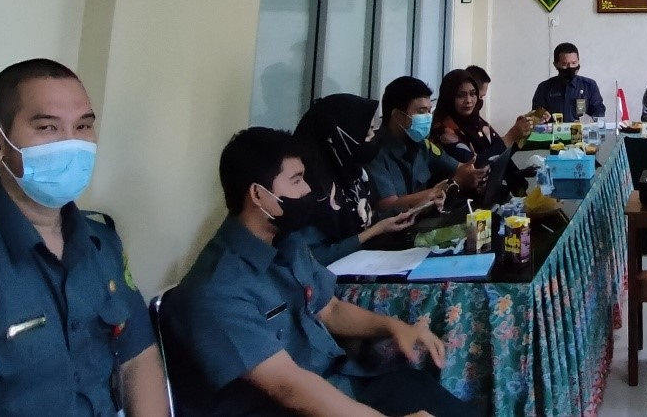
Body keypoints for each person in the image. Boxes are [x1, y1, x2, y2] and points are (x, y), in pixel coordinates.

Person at [163, 128, 471, 416]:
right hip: (294, 407)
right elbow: (287, 386)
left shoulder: (287, 241)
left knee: (428, 393)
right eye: (296, 180)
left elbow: (329, 309)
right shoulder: (216, 290)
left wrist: (393, 327)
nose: (308, 189)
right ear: (257, 195)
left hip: (341, 382)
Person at [0, 59, 169, 417]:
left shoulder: (102, 243)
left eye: (83, 126)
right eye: (48, 127)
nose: (72, 143)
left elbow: (137, 357)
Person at [291, 94, 420, 266]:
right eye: (366, 133)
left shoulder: (353, 173)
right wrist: (371, 233)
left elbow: (362, 218)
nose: (373, 138)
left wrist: (406, 212)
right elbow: (312, 258)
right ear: (338, 138)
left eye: (372, 130)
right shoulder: (311, 190)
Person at [367, 77, 484, 213]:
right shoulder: (374, 153)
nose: (428, 118)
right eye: (421, 112)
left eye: (429, 111)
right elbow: (389, 206)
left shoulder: (422, 144)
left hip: (427, 218)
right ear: (398, 116)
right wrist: (453, 184)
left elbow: (456, 168)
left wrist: (472, 174)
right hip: (401, 225)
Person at [431, 70, 507, 165]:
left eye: (472, 94)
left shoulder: (475, 120)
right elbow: (473, 166)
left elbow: (498, 144)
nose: (468, 100)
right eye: (460, 95)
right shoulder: (444, 131)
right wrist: (509, 138)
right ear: (449, 97)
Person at [464, 66, 538, 149]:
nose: (468, 101)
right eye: (480, 96)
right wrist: (511, 136)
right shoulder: (461, 129)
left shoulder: (478, 121)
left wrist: (518, 131)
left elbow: (497, 145)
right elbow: (487, 156)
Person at [531, 43, 605, 120]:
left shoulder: (589, 86)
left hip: (581, 127)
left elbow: (598, 110)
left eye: (574, 63)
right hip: (554, 127)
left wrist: (596, 117)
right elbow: (535, 114)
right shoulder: (544, 87)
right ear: (556, 65)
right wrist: (540, 115)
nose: (570, 67)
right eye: (565, 64)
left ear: (578, 62)